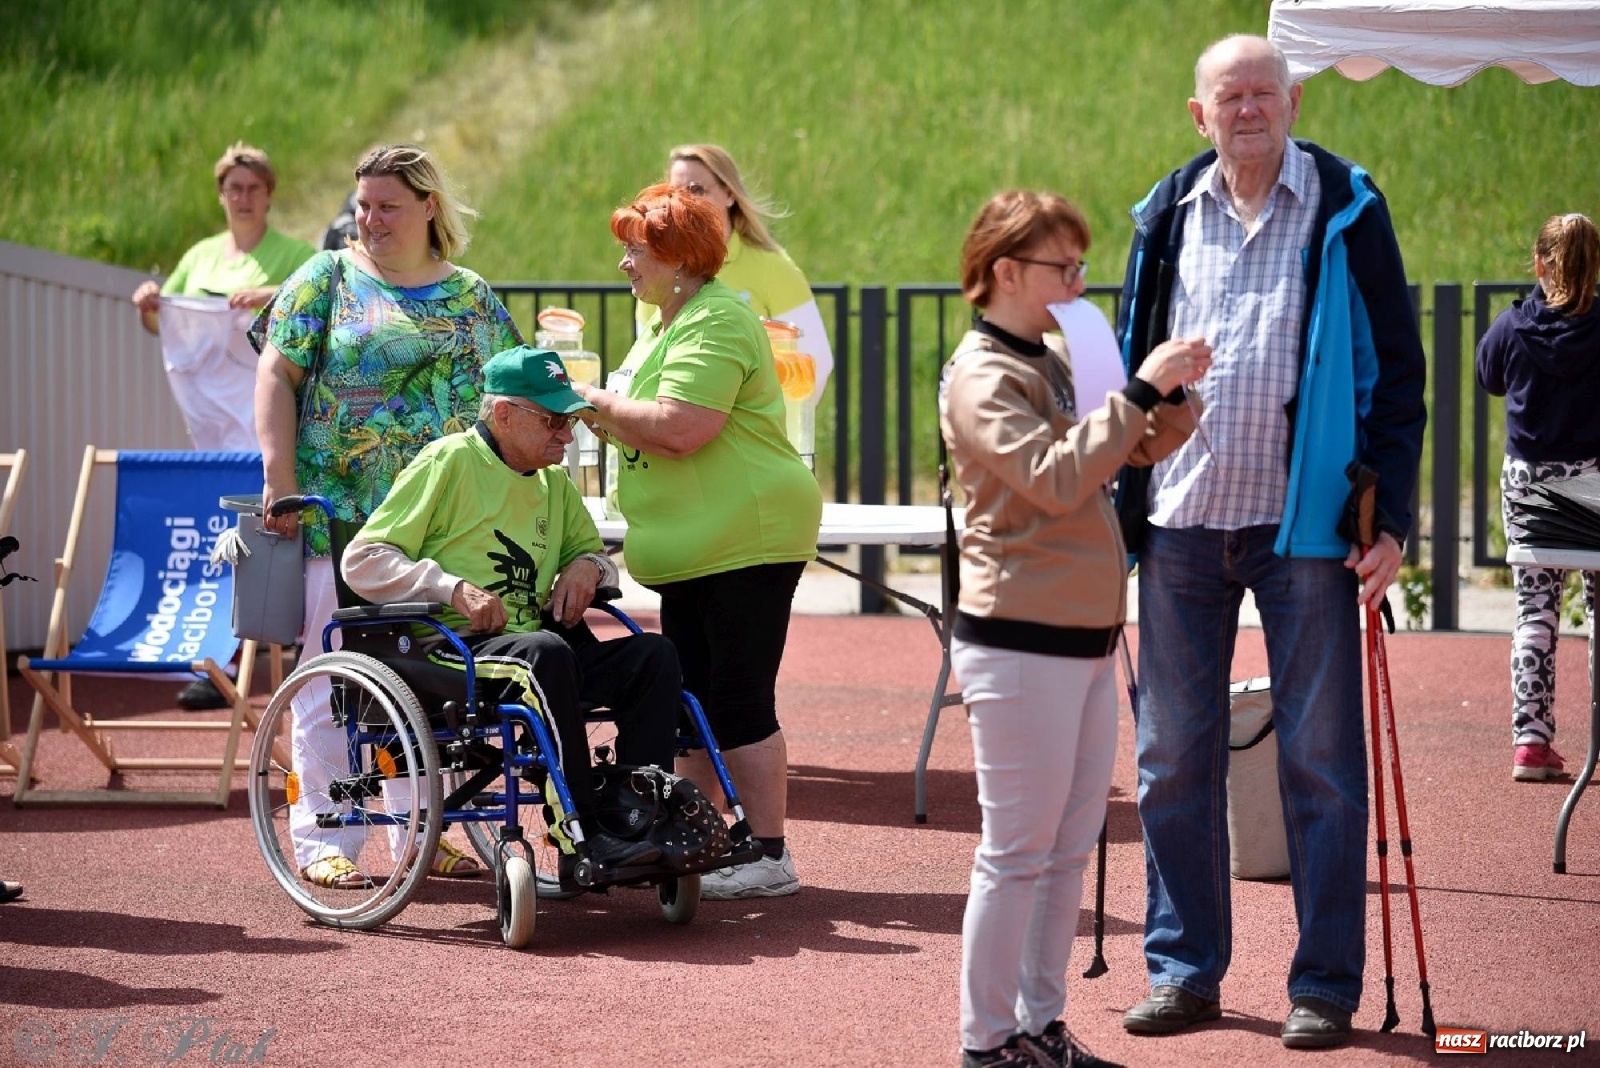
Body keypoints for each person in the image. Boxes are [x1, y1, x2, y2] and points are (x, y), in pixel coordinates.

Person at [1114, 35, 1427, 1050]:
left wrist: (1397, 517)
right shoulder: (1165, 215)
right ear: (1197, 114)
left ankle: (1324, 986)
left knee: (1324, 763)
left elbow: (1400, 374)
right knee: (1168, 759)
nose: (1247, 109)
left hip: (1307, 534)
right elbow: (1129, 356)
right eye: (1227, 96)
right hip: (1179, 522)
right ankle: (1184, 972)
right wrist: (1122, 484)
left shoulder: (1347, 205)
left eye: (1263, 92)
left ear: (1291, 101)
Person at [942, 190, 1207, 1068]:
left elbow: (1115, 448)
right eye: (1066, 267)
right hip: (1020, 639)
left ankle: (1038, 1027)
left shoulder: (1048, 356)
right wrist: (1138, 389)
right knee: (1016, 852)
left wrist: (1170, 401)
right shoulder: (982, 374)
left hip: (1081, 636)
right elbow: (1054, 479)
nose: (1080, 282)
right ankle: (988, 1043)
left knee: (1063, 851)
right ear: (1007, 272)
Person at [251, 143, 524, 890]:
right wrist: (279, 479)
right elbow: (275, 370)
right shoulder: (327, 277)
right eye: (363, 205)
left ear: (429, 206)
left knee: (421, 686)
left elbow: (508, 400)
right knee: (327, 683)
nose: (370, 220)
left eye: (388, 206)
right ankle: (325, 837)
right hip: (336, 518)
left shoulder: (472, 297)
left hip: (440, 526)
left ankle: (421, 830)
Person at [342, 346, 680, 874]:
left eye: (569, 421)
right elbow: (362, 561)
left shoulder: (554, 484)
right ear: (503, 414)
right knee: (543, 653)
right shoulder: (449, 461)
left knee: (654, 655)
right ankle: (582, 834)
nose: (566, 435)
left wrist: (588, 568)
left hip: (533, 653)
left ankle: (640, 816)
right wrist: (450, 587)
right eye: (552, 421)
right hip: (448, 652)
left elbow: (597, 556)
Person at [574, 183, 822, 899]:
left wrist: (592, 402)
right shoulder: (663, 321)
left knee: (739, 698)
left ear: (679, 259)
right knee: (694, 700)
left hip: (747, 534)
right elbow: (642, 415)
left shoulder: (714, 321)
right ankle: (699, 837)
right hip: (695, 544)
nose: (623, 264)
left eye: (635, 249)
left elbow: (682, 426)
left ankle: (770, 855)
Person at [129, 141, 316, 710]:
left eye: (253, 187)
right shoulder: (201, 254)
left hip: (277, 426)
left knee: (288, 538)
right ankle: (221, 663)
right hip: (215, 428)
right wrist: (148, 307)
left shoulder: (296, 253)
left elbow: (323, 309)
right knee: (230, 541)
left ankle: (308, 654)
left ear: (269, 194)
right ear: (220, 194)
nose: (243, 197)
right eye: (234, 188)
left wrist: (273, 296)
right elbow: (173, 328)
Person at [1477, 212, 1600, 783]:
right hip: (1592, 485)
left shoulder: (1513, 326)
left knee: (1535, 610)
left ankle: (1531, 739)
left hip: (1530, 488)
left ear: (1540, 263)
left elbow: (1489, 377)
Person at [638, 144, 834, 404]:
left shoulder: (773, 268)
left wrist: (769, 429)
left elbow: (815, 363)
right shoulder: (657, 270)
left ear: (729, 194)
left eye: (697, 190)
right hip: (679, 435)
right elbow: (645, 365)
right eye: (675, 192)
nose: (685, 202)